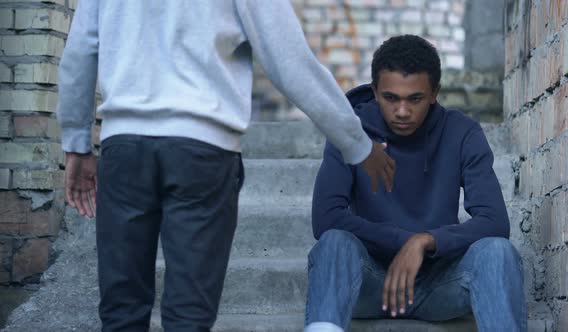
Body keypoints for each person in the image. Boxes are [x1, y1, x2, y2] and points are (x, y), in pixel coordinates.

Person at [56, 1, 396, 331]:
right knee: (188, 313)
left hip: (125, 148)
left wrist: (76, 142)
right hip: (202, 150)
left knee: (121, 309)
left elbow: (80, 52)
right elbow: (289, 62)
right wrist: (357, 144)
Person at [305, 35, 526, 332]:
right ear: (375, 91)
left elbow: (495, 221)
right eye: (391, 98)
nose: (402, 111)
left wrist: (424, 241)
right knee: (333, 243)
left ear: (435, 92)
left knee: (498, 252)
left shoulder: (462, 133)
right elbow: (326, 218)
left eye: (415, 99)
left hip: (439, 286)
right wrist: (402, 242)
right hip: (370, 284)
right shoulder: (351, 132)